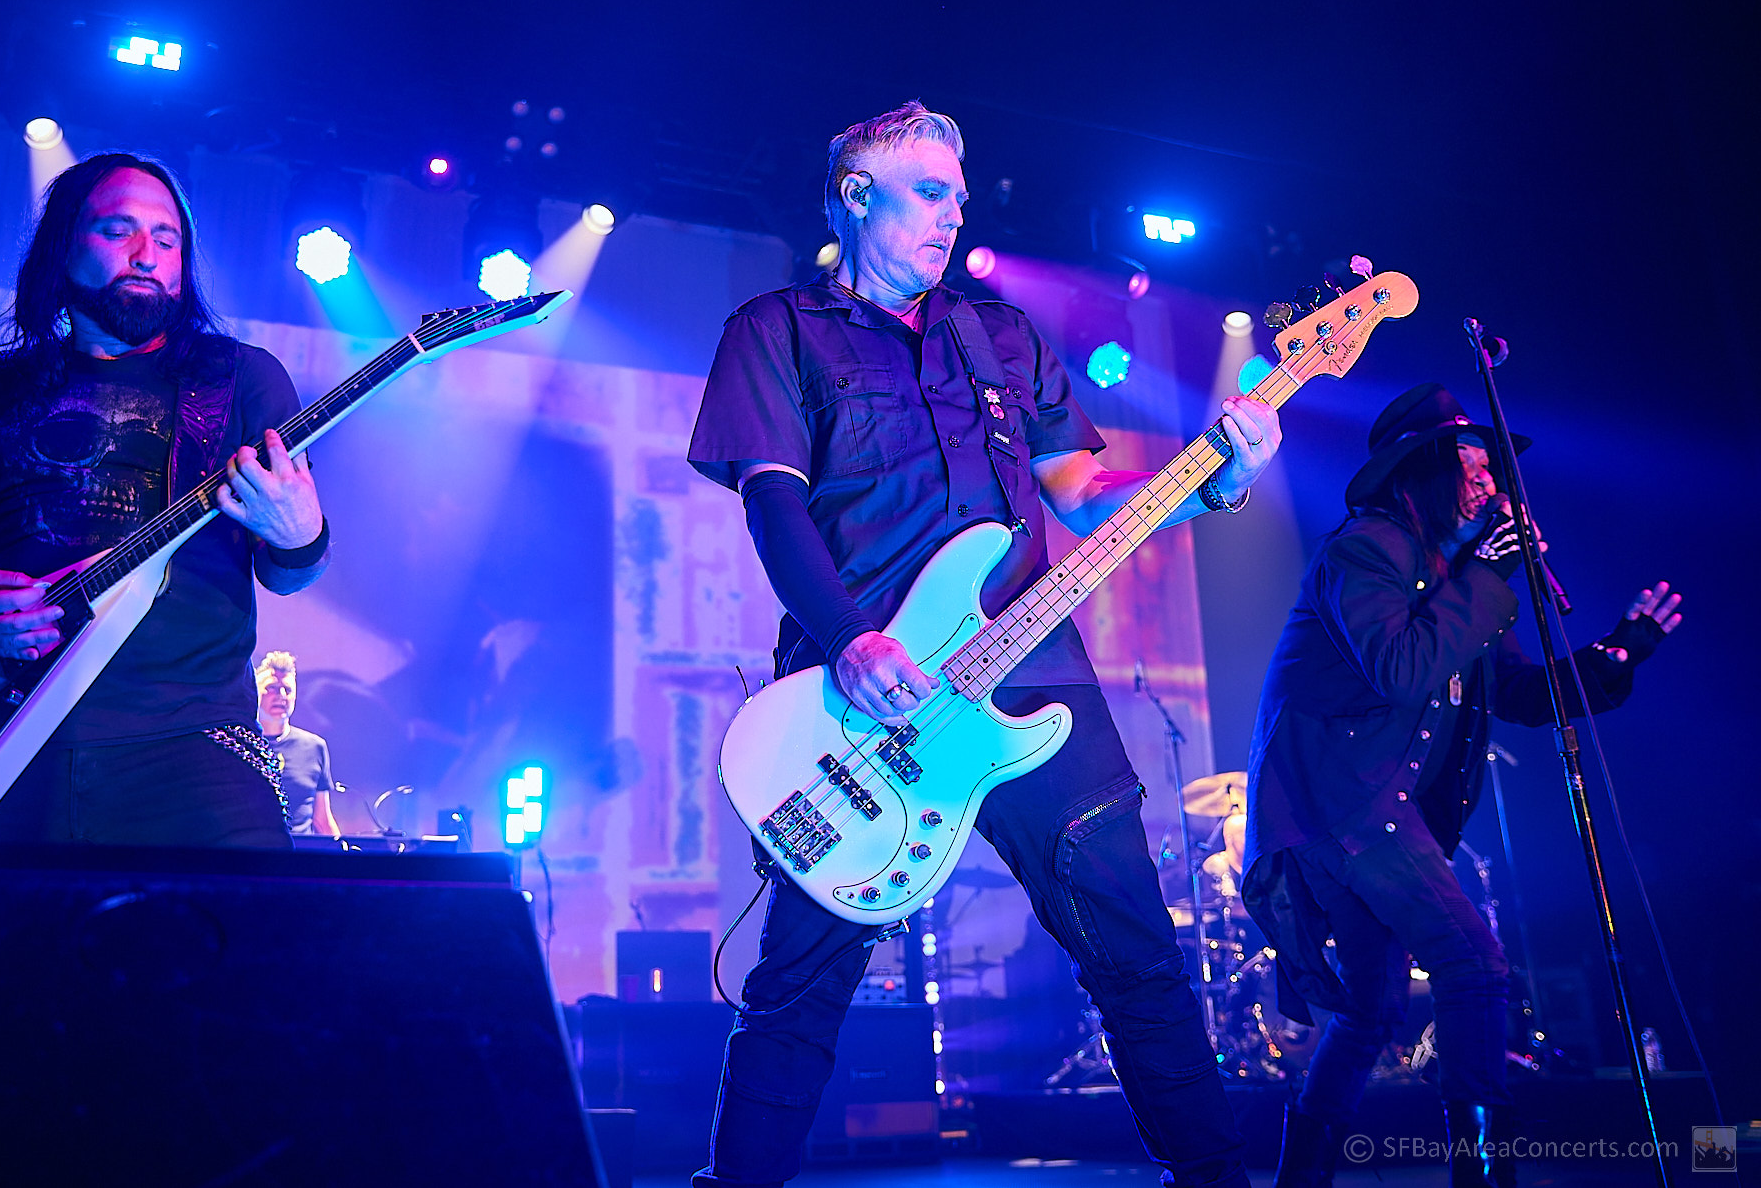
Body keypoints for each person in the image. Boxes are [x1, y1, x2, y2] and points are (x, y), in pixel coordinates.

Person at [685, 102, 1281, 1188]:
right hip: (858, 702)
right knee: (799, 989)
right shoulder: (773, 331)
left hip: (1036, 680)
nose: (951, 215)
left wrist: (1216, 481)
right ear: (855, 193)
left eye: (959, 197)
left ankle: (1215, 1179)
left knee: (1137, 959)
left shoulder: (998, 336)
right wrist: (850, 640)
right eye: (926, 192)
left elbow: (1085, 495)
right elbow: (772, 507)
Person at [1241, 383, 1681, 1187]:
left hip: (1370, 809)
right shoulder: (1365, 549)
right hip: (1337, 804)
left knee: (1372, 1010)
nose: (1489, 481)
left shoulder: (1456, 578)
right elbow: (1402, 667)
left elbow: (1514, 695)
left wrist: (1619, 653)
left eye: (1491, 466)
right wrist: (1483, 576)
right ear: (1424, 473)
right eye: (1471, 463)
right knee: (1474, 966)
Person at [0, 153, 332, 848]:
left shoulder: (239, 378)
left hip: (193, 749)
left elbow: (289, 572)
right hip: (3, 737)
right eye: (119, 230)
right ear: (63, 246)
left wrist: (301, 532)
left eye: (167, 240)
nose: (147, 253)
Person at [255, 650, 341, 838]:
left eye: (288, 689)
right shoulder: (240, 743)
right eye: (272, 688)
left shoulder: (314, 747)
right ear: (254, 692)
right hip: (251, 857)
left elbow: (322, 819)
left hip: (301, 859)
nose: (281, 695)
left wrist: (345, 862)